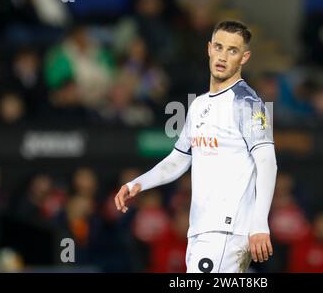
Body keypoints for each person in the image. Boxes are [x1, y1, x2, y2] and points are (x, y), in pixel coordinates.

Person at [115, 20, 278, 273]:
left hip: (227, 229)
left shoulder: (248, 103)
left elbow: (268, 162)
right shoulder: (199, 105)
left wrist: (259, 224)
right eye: (219, 47)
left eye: (232, 51)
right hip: (201, 229)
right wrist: (138, 183)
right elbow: (178, 159)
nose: (223, 56)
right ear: (209, 48)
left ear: (244, 57)